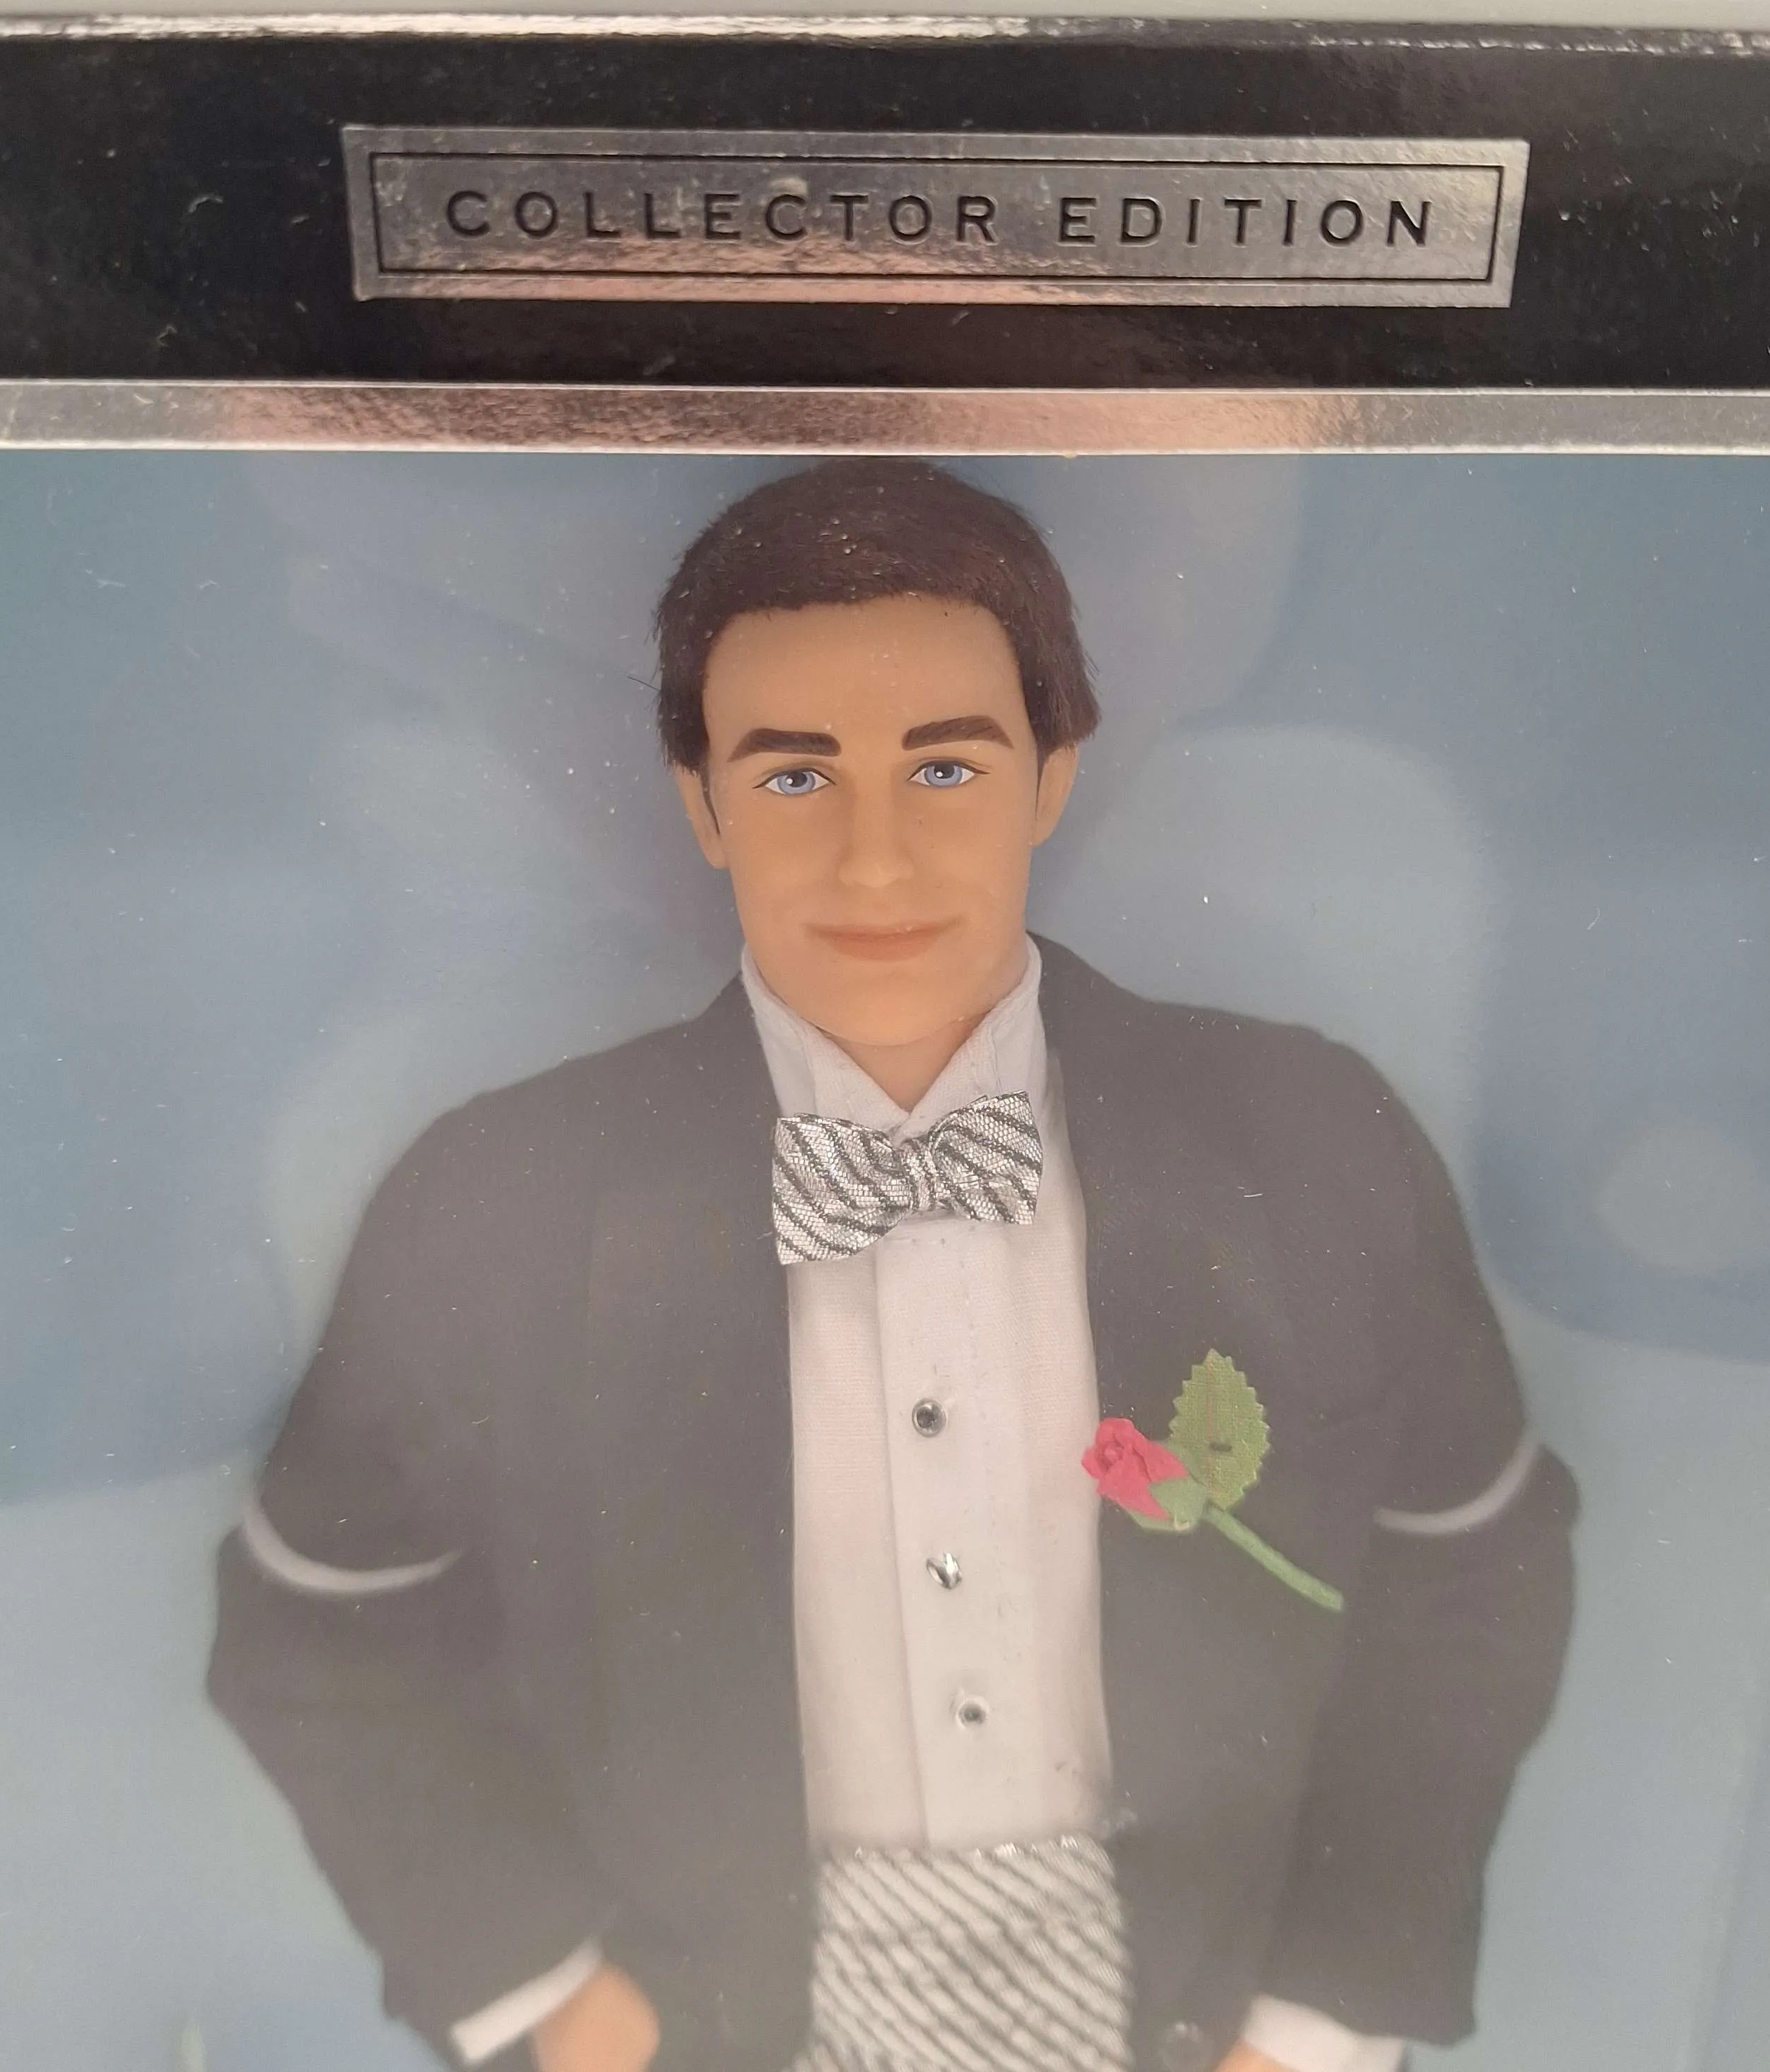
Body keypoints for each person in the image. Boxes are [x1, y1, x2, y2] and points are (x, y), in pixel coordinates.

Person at [208, 460, 1576, 2072]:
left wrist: (1322, 2018)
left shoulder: (1308, 1142)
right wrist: (541, 1992)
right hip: (720, 2014)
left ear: (1053, 774)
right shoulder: (497, 1201)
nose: (874, 861)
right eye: (795, 777)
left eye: (944, 768)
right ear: (701, 799)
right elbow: (320, 1624)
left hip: (1200, 2009)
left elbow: (1470, 1573)